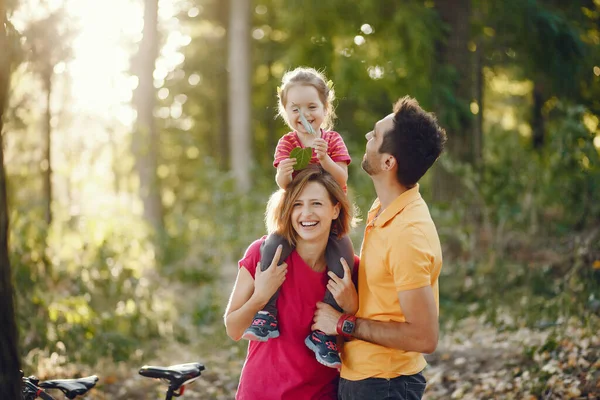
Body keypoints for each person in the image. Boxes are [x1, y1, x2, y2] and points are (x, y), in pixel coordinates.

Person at [312, 96, 447, 400]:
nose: (367, 137)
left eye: (375, 134)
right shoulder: (386, 208)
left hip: (384, 384)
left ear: (389, 162)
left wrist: (344, 323)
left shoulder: (408, 233)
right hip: (364, 377)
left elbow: (424, 336)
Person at [242, 67, 354, 369]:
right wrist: (283, 173)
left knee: (343, 259)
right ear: (286, 112)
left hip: (328, 218)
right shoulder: (288, 143)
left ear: (324, 109)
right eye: (295, 108)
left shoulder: (331, 140)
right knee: (272, 247)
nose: (304, 114)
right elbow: (283, 184)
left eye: (311, 107)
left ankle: (322, 334)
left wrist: (326, 159)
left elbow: (342, 178)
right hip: (295, 216)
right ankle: (267, 311)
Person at [224, 166, 360, 399]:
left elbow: (354, 344)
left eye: (316, 203)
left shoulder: (350, 270)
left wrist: (350, 308)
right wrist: (261, 296)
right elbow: (233, 329)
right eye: (297, 204)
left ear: (335, 209)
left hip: (319, 394)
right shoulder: (261, 254)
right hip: (259, 393)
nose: (306, 213)